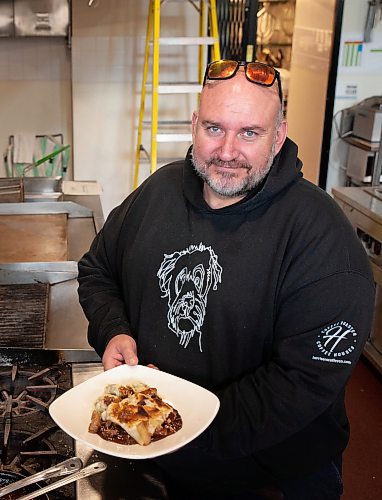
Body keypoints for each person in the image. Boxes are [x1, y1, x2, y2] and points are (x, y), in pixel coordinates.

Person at [77, 60, 375, 499]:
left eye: (250, 133)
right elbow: (97, 270)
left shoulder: (322, 238)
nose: (228, 151)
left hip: (270, 479)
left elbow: (303, 382)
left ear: (278, 136)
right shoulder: (158, 193)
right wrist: (113, 330)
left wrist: (179, 425)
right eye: (214, 128)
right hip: (155, 459)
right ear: (194, 124)